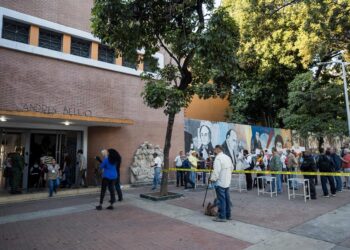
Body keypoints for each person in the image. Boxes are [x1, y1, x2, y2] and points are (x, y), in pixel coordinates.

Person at [210, 145, 234, 222]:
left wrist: (213, 179)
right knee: (227, 199)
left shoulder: (218, 158)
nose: (214, 151)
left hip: (220, 182)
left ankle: (222, 216)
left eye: (215, 150)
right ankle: (228, 215)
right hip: (227, 181)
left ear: (217, 149)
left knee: (221, 200)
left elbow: (216, 170)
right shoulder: (227, 157)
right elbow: (232, 168)